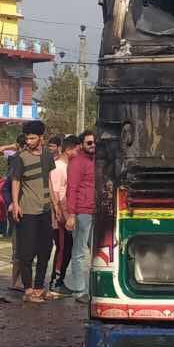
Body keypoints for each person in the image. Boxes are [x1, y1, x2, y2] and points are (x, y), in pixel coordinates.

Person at [9, 123, 54, 302]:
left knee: (45, 250)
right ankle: (28, 290)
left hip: (45, 209)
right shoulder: (20, 157)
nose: (29, 141)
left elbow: (48, 180)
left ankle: (39, 287)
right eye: (27, 138)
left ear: (41, 138)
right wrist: (15, 204)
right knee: (26, 252)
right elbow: (15, 181)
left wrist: (55, 207)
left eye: (32, 138)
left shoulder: (47, 155)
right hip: (27, 210)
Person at [65, 129, 99, 303]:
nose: (93, 145)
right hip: (81, 212)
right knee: (79, 252)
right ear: (82, 144)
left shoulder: (98, 161)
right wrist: (71, 214)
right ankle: (79, 290)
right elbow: (72, 189)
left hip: (97, 211)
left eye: (95, 142)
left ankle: (94, 289)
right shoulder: (77, 162)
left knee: (98, 252)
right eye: (89, 143)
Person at [47, 136, 73, 294]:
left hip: (66, 214)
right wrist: (59, 212)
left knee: (67, 248)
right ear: (69, 150)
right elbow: (54, 192)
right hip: (59, 217)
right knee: (62, 248)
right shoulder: (58, 167)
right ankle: (55, 281)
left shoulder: (67, 167)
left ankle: (59, 280)